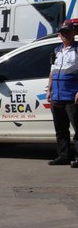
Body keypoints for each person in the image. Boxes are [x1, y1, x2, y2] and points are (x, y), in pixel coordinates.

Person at [47, 20, 78, 166]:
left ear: (74, 33)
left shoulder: (77, 50)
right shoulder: (56, 50)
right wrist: (49, 89)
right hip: (57, 96)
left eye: (68, 32)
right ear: (59, 35)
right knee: (60, 130)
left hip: (72, 96)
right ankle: (63, 156)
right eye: (62, 32)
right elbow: (52, 71)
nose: (65, 35)